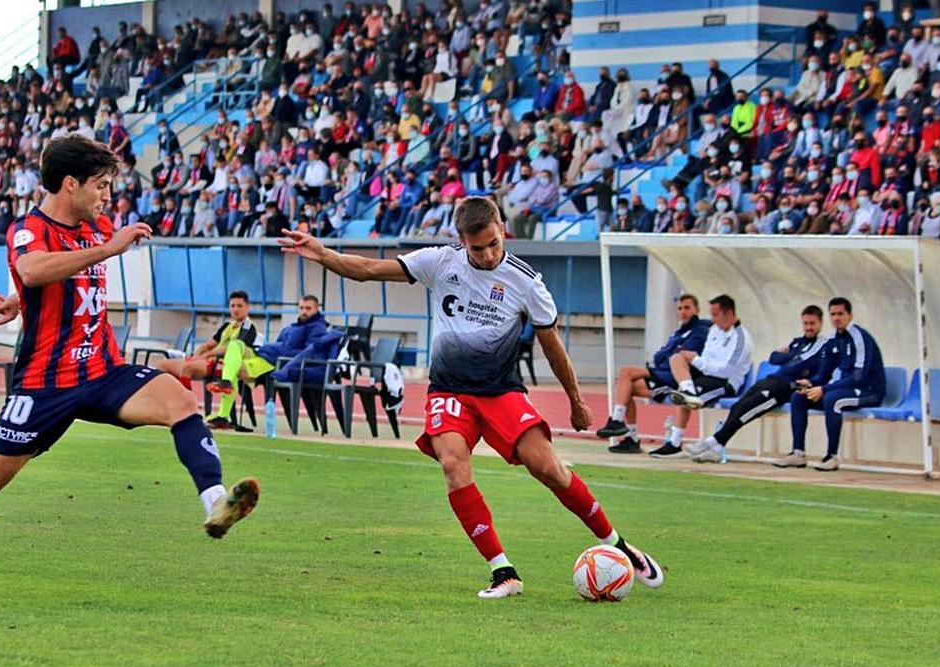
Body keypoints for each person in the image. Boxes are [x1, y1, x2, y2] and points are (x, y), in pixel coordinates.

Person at [0, 136, 259, 587]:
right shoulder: (29, 229)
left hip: (103, 371)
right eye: (101, 185)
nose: (107, 196)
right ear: (71, 184)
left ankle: (216, 504)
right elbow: (32, 269)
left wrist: (19, 301)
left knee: (181, 402)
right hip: (45, 386)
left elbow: (53, 279)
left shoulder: (93, 227)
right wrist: (55, 276)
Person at [277, 196, 664, 599]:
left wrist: (577, 401)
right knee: (452, 463)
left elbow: (552, 346)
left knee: (549, 469)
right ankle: (503, 572)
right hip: (449, 390)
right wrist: (321, 253)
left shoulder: (527, 282)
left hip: (501, 392)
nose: (487, 254)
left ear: (501, 228)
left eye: (494, 243)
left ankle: (619, 546)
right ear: (461, 240)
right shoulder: (441, 262)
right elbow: (369, 269)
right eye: (477, 248)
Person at [684, 306, 829, 463]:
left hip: (784, 388)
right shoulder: (798, 342)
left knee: (747, 410)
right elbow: (773, 357)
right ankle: (717, 448)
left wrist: (789, 357)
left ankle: (710, 442)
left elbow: (802, 363)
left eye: (812, 324)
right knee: (737, 407)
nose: (808, 327)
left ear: (820, 323)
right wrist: (791, 358)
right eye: (805, 323)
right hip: (770, 380)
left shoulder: (822, 345)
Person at [595, 294, 709, 455]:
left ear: (697, 309)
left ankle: (617, 421)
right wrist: (666, 355)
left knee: (626, 373)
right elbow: (660, 355)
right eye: (680, 308)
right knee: (626, 385)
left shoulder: (700, 331)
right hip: (662, 372)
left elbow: (677, 355)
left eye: (687, 308)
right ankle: (631, 437)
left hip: (673, 377)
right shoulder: (678, 333)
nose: (683, 312)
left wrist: (666, 355)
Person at [783, 297, 886, 472]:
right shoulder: (832, 340)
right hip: (845, 390)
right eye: (833, 314)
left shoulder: (860, 337)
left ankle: (832, 456)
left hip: (869, 392)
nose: (836, 318)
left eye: (840, 314)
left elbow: (858, 377)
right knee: (798, 397)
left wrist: (824, 389)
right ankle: (798, 453)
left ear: (850, 315)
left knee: (832, 399)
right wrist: (810, 383)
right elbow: (824, 373)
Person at [163, 291, 265, 430]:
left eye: (239, 306)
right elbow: (208, 345)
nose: (235, 309)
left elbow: (230, 348)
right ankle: (165, 403)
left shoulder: (248, 327)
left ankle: (187, 408)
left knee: (187, 369)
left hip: (220, 363)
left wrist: (202, 357)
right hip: (209, 359)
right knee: (163, 365)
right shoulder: (227, 326)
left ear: (247, 307)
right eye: (232, 305)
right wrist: (196, 354)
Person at [663, 294, 754, 422]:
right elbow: (706, 358)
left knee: (685, 399)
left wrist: (695, 360)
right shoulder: (714, 330)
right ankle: (688, 390)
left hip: (726, 383)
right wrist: (692, 359)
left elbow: (726, 371)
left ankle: (689, 396)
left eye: (716, 315)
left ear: (728, 313)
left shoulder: (741, 339)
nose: (713, 319)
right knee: (677, 358)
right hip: (708, 375)